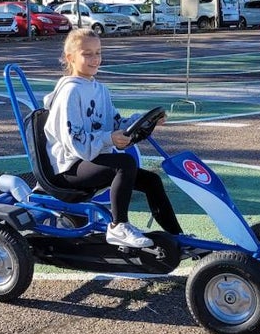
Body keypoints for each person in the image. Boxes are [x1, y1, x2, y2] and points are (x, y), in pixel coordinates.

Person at [43, 28, 183, 249]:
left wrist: (146, 121)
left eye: (98, 52)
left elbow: (116, 123)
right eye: (87, 54)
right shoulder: (70, 92)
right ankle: (118, 226)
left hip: (91, 160)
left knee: (151, 180)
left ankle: (177, 236)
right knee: (124, 164)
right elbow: (76, 141)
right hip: (69, 168)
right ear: (71, 58)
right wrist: (108, 138)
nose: (94, 59)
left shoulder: (100, 90)